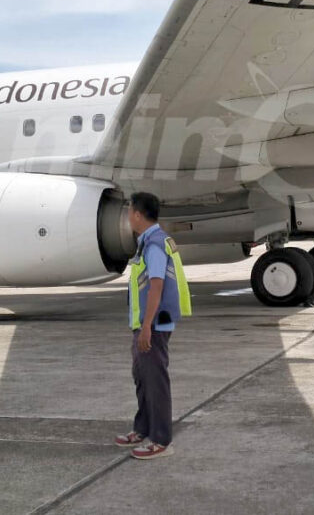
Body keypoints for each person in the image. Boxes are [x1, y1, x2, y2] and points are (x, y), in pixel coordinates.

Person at [114, 192, 192, 460]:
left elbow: (156, 285)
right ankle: (143, 428)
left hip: (154, 323)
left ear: (137, 214)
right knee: (142, 376)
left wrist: (146, 327)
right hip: (151, 322)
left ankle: (160, 439)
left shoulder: (154, 245)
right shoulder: (151, 241)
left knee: (155, 379)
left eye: (129, 212)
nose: (128, 217)